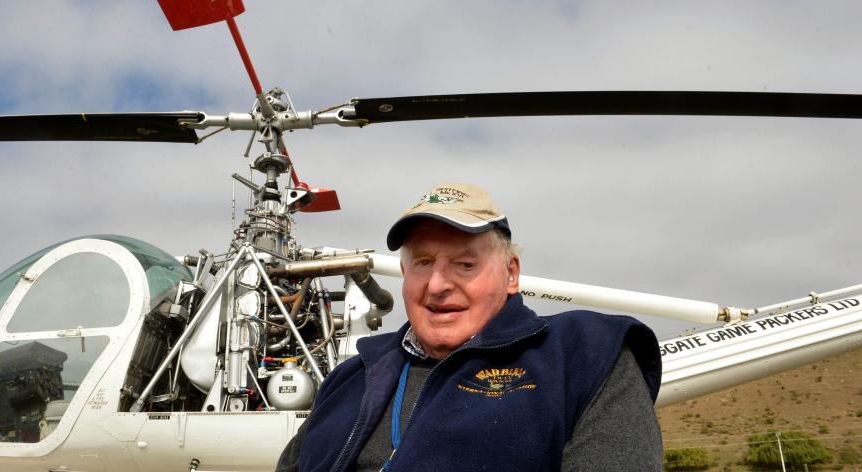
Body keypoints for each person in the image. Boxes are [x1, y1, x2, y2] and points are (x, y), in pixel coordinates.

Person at [277, 183, 663, 471]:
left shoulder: (586, 355)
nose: (438, 284)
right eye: (423, 263)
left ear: (511, 274)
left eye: (465, 264)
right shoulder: (350, 377)